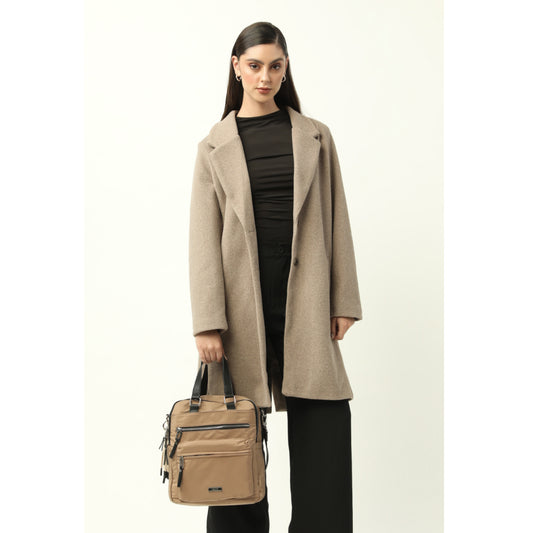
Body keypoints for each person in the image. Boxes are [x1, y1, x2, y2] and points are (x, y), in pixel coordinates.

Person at [188, 21, 363, 533]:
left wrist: (344, 299)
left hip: (305, 298)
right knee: (233, 439)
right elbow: (203, 239)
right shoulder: (213, 146)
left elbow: (338, 217)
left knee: (325, 430)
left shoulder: (315, 136)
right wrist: (207, 322)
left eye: (275, 66)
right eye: (255, 65)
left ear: (286, 70)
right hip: (240, 307)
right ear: (236, 68)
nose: (265, 77)